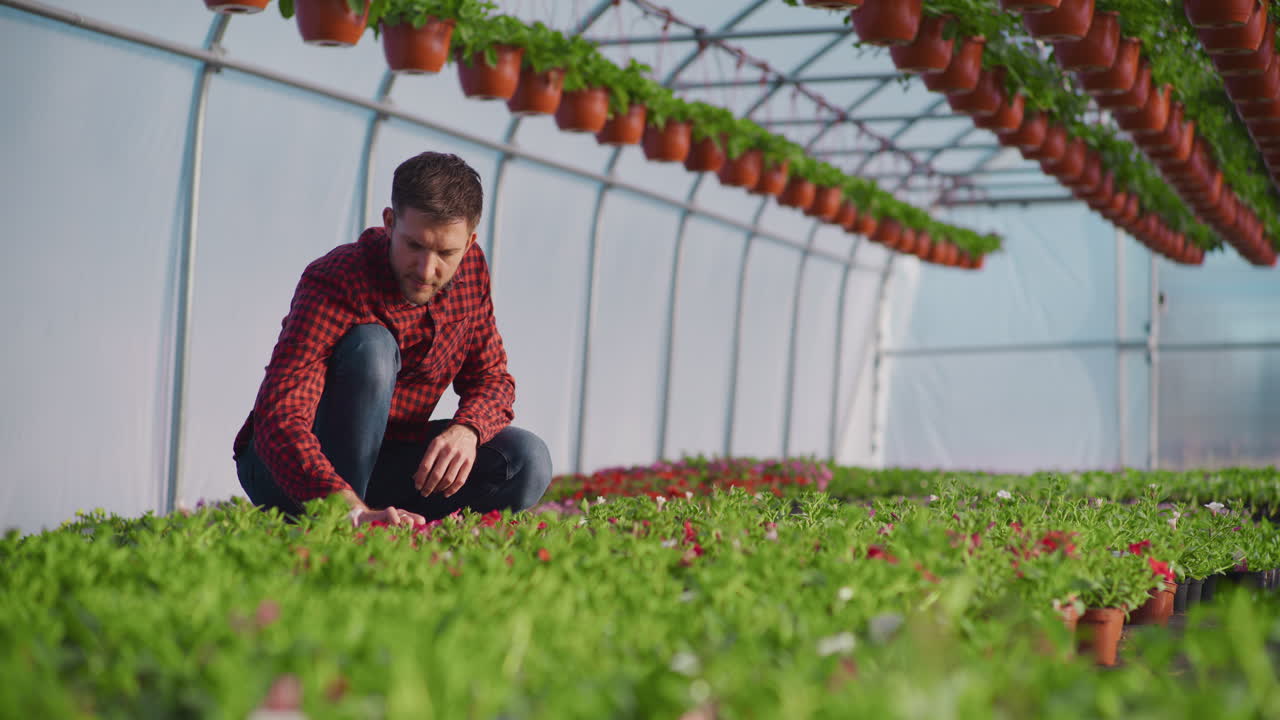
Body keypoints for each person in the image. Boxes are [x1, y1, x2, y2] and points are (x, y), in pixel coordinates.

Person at [233, 152, 551, 528]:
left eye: (446, 253)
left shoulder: (471, 272)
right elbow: (281, 418)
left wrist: (467, 430)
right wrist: (348, 506)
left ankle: (389, 520)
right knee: (374, 349)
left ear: (468, 244)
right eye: (414, 246)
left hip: (388, 461)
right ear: (389, 223)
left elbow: (492, 379)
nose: (427, 269)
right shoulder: (338, 280)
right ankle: (348, 522)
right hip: (290, 468)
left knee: (526, 459)